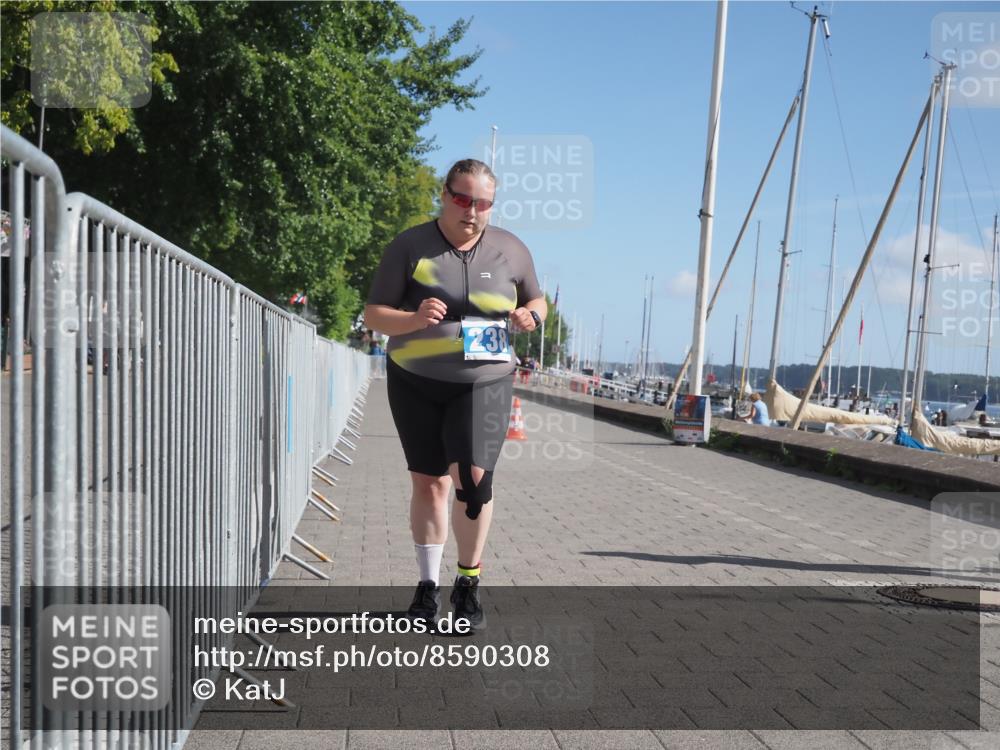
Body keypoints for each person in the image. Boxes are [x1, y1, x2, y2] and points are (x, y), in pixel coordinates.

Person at [363, 159, 545, 630]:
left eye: (482, 203)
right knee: (429, 482)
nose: (472, 211)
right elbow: (374, 315)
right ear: (444, 195)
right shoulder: (409, 246)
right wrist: (413, 318)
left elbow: (537, 299)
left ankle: (468, 582)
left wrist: (532, 316)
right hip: (416, 379)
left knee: (473, 480)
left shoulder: (511, 249)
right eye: (462, 199)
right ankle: (427, 587)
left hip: (485, 381)